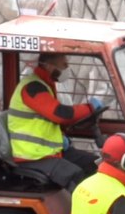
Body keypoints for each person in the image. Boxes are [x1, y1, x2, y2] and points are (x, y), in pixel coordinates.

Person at [8, 53, 103, 190]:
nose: (67, 68)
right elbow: (61, 114)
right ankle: (80, 209)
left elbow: (50, 120)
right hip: (33, 156)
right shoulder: (32, 87)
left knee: (95, 164)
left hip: (50, 151)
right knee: (75, 175)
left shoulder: (45, 85)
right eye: (64, 65)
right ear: (49, 66)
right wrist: (90, 108)